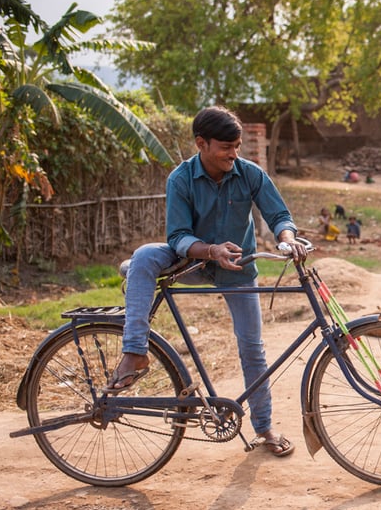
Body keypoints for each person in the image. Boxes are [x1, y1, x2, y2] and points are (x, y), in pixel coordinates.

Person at [107, 106, 308, 457]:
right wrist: (211, 250)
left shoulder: (249, 173)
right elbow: (179, 235)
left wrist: (287, 238)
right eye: (226, 147)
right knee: (143, 257)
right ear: (202, 143)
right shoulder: (180, 178)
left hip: (238, 267)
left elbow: (278, 215)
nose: (234, 154)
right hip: (191, 260)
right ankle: (135, 351)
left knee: (252, 349)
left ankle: (264, 428)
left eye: (238, 146)